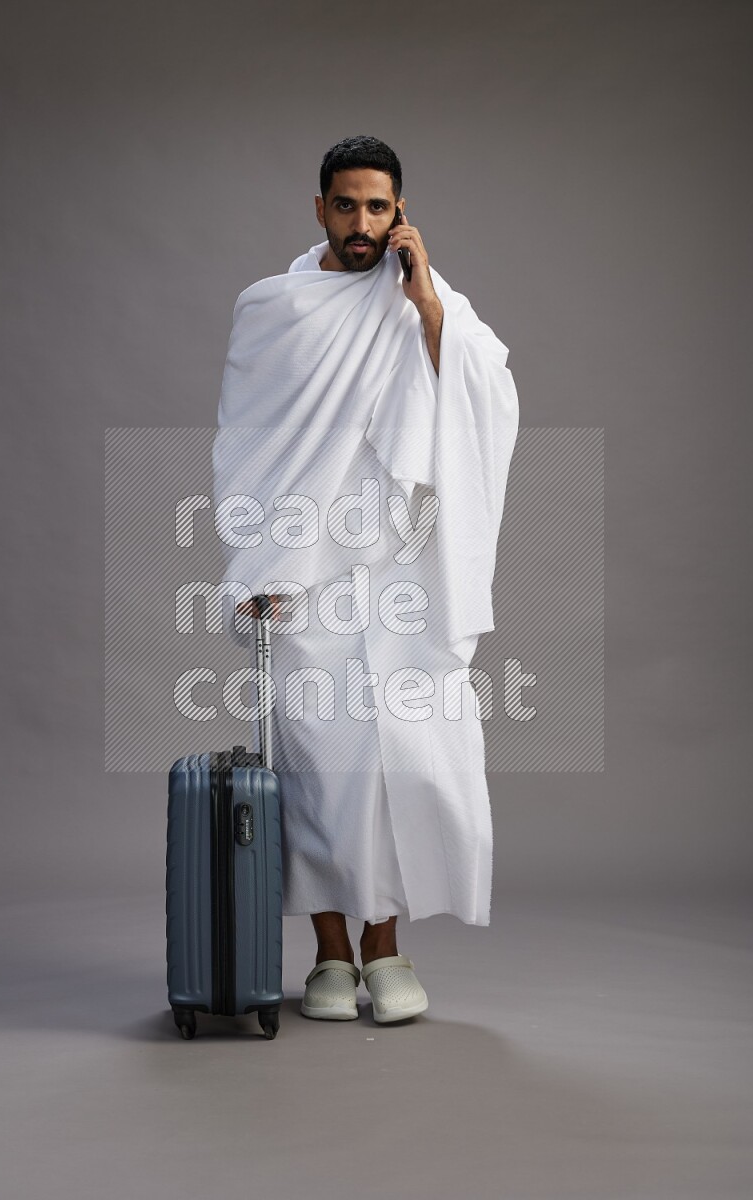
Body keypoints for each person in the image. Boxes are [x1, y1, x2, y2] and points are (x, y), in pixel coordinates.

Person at [213, 135, 519, 1024]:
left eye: (376, 208)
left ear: (400, 212)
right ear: (319, 209)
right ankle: (331, 958)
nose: (360, 224)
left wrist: (426, 304)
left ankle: (388, 949)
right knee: (318, 766)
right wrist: (255, 567)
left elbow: (487, 394)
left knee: (399, 763)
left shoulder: (426, 301)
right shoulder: (274, 309)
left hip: (398, 572)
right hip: (302, 576)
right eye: (344, 205)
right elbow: (245, 447)